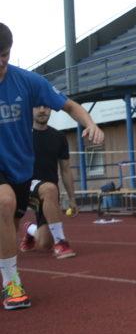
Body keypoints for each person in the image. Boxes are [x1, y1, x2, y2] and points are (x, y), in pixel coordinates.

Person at [0, 23, 104, 310]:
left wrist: (91, 123)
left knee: (10, 222)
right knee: (4, 203)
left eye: (4, 55)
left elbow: (70, 106)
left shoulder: (27, 81)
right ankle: (12, 283)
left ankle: (8, 268)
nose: (0, 63)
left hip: (20, 166)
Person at [19, 105, 80, 259]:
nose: (42, 110)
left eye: (45, 107)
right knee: (49, 188)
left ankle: (30, 229)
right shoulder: (21, 135)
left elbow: (65, 170)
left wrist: (72, 199)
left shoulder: (59, 137)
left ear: (51, 109)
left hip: (49, 194)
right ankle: (61, 242)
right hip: (26, 187)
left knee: (45, 243)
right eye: (37, 107)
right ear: (30, 109)